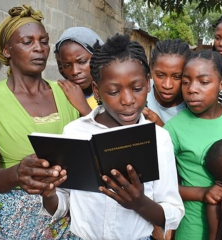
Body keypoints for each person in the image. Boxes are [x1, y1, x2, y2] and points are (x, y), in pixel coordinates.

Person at [41, 34, 184, 240]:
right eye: (114, 91)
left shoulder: (159, 139)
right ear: (97, 91)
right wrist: (48, 192)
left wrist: (139, 203)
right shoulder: (74, 133)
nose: (128, 100)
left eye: (137, 89)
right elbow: (63, 203)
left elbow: (173, 212)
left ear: (148, 84)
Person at [0, 5, 80, 239]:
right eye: (27, 42)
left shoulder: (68, 92)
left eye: (44, 41)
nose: (39, 48)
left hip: (72, 213)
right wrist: (18, 173)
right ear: (7, 50)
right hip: (16, 221)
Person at [164, 50, 222, 240]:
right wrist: (202, 193)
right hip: (194, 227)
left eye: (203, 82)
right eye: (186, 82)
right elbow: (161, 185)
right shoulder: (172, 129)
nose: (192, 89)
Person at [55, 27, 104, 114]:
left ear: (97, 58)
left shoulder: (113, 93)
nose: (75, 71)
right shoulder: (63, 94)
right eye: (67, 65)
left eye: (82, 62)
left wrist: (83, 107)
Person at [144, 38, 191, 126]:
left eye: (177, 77)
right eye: (160, 75)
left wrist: (159, 125)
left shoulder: (192, 105)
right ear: (151, 68)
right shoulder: (139, 92)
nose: (167, 85)